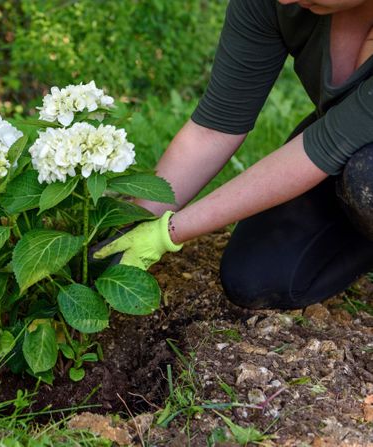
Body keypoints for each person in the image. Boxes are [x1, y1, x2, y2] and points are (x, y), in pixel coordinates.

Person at [94, 0, 373, 310]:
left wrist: (167, 234)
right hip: (348, 144)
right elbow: (214, 129)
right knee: (256, 276)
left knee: (367, 178)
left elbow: (321, 149)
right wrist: (132, 222)